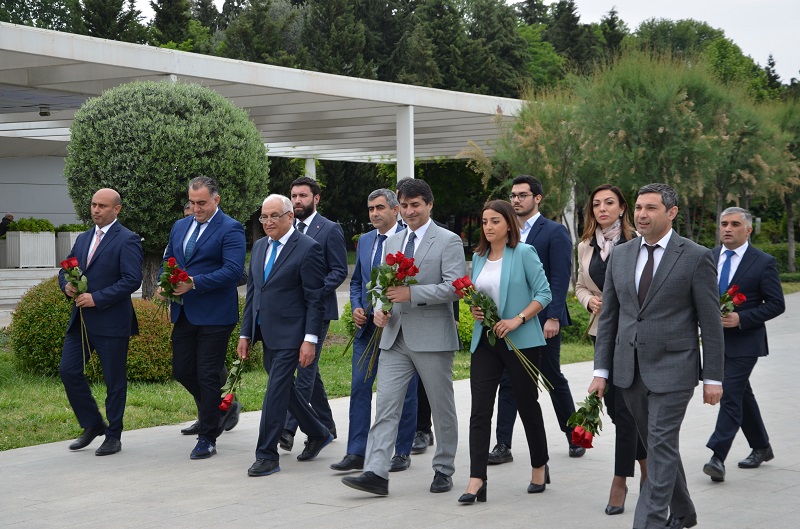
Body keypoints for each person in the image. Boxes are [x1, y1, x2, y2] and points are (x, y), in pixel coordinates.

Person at [588, 183, 724, 529]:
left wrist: (713, 377)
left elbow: (711, 323)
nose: (642, 215)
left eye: (651, 208)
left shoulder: (695, 256)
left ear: (671, 212)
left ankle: (647, 522)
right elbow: (610, 318)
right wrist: (601, 371)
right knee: (658, 445)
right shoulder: (621, 254)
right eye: (638, 208)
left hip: (674, 369)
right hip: (629, 370)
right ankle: (684, 512)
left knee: (660, 444)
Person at [342, 178, 465, 496]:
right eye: (405, 205)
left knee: (441, 407)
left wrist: (412, 294)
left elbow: (455, 287)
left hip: (432, 336)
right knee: (385, 406)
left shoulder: (448, 240)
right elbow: (380, 285)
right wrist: (379, 309)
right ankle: (376, 472)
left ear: (429, 205)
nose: (410, 211)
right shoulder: (393, 242)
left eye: (416, 205)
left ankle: (444, 469)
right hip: (393, 335)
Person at [459, 200, 552, 504]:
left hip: (521, 341)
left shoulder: (524, 252)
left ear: (509, 224)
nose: (488, 226)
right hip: (486, 341)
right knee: (480, 410)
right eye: (485, 221)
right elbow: (479, 295)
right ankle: (477, 479)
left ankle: (539, 466)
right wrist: (474, 310)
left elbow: (544, 293)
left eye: (495, 221)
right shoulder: (478, 257)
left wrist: (517, 319)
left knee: (527, 405)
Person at [238, 194, 334, 477]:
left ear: (290, 217)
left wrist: (310, 340)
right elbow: (253, 293)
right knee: (283, 387)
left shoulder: (308, 248)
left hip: (293, 333)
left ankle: (267, 455)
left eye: (274, 216)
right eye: (264, 217)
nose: (268, 222)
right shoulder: (259, 247)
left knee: (275, 392)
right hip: (267, 332)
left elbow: (315, 300)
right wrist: (245, 334)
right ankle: (318, 431)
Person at [490, 175, 581, 464]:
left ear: (537, 198)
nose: (516, 200)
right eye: (513, 195)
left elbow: (560, 278)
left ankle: (574, 436)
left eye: (522, 195)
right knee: (508, 380)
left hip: (543, 321)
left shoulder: (554, 232)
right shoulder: (505, 232)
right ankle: (502, 445)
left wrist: (553, 316)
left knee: (551, 377)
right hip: (510, 321)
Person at [331, 188, 418, 473]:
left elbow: (413, 284)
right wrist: (357, 307)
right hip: (367, 329)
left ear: (395, 210)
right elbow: (357, 281)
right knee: (359, 387)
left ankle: (401, 451)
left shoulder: (409, 239)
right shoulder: (366, 240)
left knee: (404, 392)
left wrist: (391, 308)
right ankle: (356, 451)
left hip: (400, 329)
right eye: (370, 209)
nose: (374, 214)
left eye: (380, 208)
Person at [575, 184, 646, 515]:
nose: (602, 209)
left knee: (625, 409)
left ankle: (620, 481)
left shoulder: (638, 243)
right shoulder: (584, 246)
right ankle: (647, 467)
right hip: (601, 333)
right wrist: (589, 300)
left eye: (609, 203)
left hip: (632, 336)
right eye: (596, 204)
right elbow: (579, 285)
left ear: (622, 208)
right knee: (618, 410)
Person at [162, 177, 245, 460]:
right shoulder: (180, 226)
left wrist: (194, 283)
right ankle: (222, 407)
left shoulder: (231, 228)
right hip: (184, 310)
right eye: (192, 202)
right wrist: (165, 282)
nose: (196, 208)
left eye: (202, 203)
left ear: (216, 200)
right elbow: (170, 260)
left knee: (207, 374)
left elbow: (233, 271)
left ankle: (208, 436)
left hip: (216, 314)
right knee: (182, 370)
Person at [702, 207, 785, 483]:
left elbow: (776, 304)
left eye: (735, 224)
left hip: (746, 342)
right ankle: (761, 446)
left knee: (729, 393)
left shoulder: (763, 262)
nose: (727, 228)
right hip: (715, 341)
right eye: (724, 224)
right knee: (741, 395)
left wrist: (742, 318)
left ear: (748, 230)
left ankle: (717, 456)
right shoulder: (708, 257)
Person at [59, 188, 143, 456]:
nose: (96, 209)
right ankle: (93, 423)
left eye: (102, 206)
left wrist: (97, 298)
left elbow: (132, 279)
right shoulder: (83, 238)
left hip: (112, 322)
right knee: (68, 371)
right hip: (81, 322)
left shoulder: (128, 239)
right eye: (94, 204)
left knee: (114, 381)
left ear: (116, 209)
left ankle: (113, 435)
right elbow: (65, 269)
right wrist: (66, 286)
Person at [279, 176, 347, 453]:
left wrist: (314, 291)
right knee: (311, 369)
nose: (297, 201)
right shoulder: (286, 229)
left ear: (316, 198)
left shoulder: (330, 229)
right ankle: (326, 425)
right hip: (290, 311)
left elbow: (339, 270)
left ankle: (288, 428)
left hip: (318, 311)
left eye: (303, 196)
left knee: (304, 368)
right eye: (294, 196)